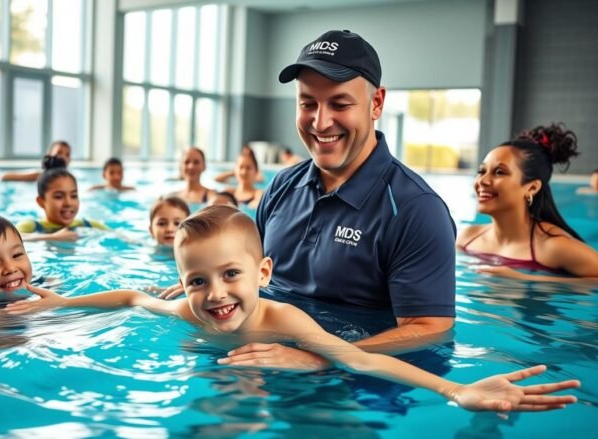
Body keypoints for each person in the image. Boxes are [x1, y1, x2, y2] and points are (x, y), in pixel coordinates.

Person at [6, 206, 579, 413]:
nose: (215, 295)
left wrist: (456, 391)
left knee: (249, 403)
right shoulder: (187, 313)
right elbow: (132, 297)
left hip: (293, 377)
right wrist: (61, 305)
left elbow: (361, 360)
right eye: (196, 281)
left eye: (231, 275)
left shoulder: (284, 320)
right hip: (220, 364)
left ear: (262, 274)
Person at [160, 30, 458, 368]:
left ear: (376, 104)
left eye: (340, 104)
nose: (320, 122)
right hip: (253, 357)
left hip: (351, 384)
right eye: (307, 104)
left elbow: (431, 329)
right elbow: (247, 267)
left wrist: (320, 358)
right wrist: (206, 283)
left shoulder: (415, 209)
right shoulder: (282, 186)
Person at [457, 123, 598, 282]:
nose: (483, 181)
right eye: (481, 171)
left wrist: (527, 279)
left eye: (499, 172)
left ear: (531, 188)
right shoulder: (466, 239)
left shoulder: (555, 247)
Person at [16, 167, 107, 241]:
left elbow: (118, 235)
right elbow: (8, 240)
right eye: (59, 196)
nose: (68, 203)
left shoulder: (87, 225)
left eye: (74, 196)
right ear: (41, 202)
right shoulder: (30, 226)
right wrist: (53, 237)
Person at [1, 140, 72, 182]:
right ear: (49, 155)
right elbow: (5, 176)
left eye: (67, 155)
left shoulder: (71, 179)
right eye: (59, 153)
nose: (63, 157)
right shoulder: (39, 176)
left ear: (70, 160)